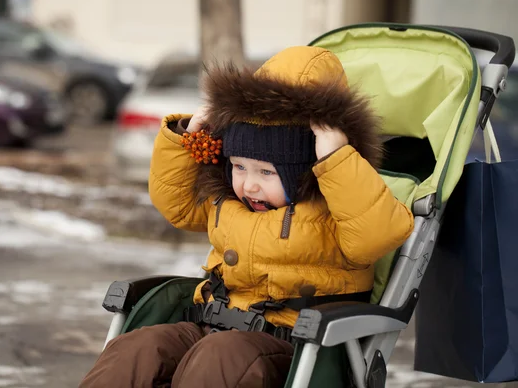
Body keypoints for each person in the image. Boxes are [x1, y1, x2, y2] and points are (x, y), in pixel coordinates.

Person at [80, 46, 414, 388]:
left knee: (220, 355)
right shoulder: (227, 202)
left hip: (293, 348)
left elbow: (379, 235)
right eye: (238, 166)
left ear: (307, 172)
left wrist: (338, 159)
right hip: (207, 324)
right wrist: (187, 135)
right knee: (138, 348)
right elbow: (176, 204)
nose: (248, 184)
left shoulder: (338, 212)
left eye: (266, 173)